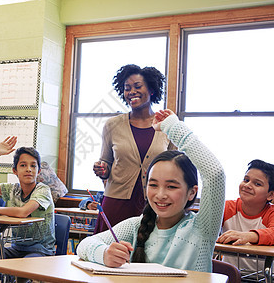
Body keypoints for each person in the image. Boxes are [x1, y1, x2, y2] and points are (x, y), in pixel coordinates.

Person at [77, 109, 225, 273]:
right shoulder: (136, 226)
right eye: (153, 185)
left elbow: (215, 174)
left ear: (192, 192)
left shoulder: (202, 227)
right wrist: (104, 253)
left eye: (172, 186)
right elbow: (85, 245)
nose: (160, 195)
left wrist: (172, 126)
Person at [92, 64, 175, 233]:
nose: (132, 92)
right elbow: (106, 163)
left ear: (151, 89)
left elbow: (176, 166)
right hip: (116, 202)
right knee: (110, 251)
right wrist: (102, 169)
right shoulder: (112, 125)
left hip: (155, 202)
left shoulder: (167, 123)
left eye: (138, 86)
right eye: (127, 88)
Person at [0, 136, 56, 269]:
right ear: (15, 171)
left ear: (38, 171)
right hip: (16, 250)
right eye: (23, 165)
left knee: (22, 268)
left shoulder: (43, 189)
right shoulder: (12, 189)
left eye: (33, 166)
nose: (29, 169)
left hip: (41, 251)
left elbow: (23, 212)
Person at [217, 159, 274, 271]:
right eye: (246, 180)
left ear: (270, 195)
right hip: (230, 275)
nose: (247, 185)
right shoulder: (227, 207)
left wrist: (247, 236)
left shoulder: (271, 212)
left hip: (262, 278)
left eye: (257, 184)